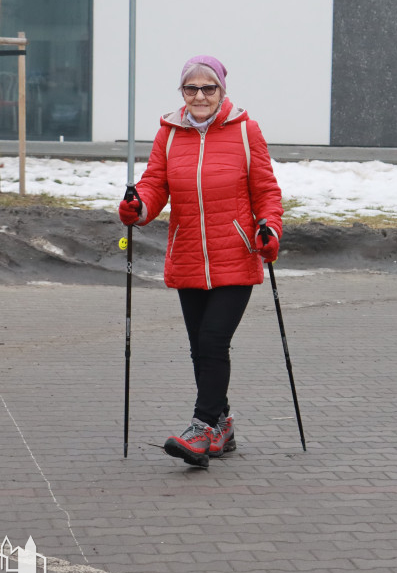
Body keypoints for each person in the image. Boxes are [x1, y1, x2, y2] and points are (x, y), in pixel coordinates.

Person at [118, 54, 283, 468]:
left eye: (208, 88)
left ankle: (202, 426)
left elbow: (266, 191)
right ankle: (222, 426)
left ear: (222, 91)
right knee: (200, 348)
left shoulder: (247, 131)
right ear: (182, 94)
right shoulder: (169, 134)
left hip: (236, 255)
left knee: (212, 341)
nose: (200, 95)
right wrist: (138, 207)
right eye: (191, 88)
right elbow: (155, 185)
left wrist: (269, 228)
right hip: (190, 254)